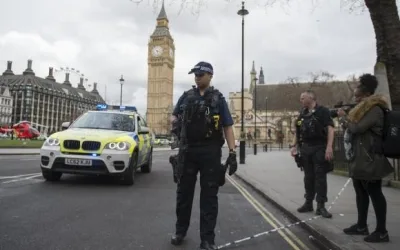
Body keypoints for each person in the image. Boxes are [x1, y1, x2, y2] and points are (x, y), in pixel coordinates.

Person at [170, 61, 238, 250]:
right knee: (184, 195)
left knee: (209, 197)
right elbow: (173, 116)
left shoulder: (218, 98)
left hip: (210, 151)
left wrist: (232, 153)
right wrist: (175, 123)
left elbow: (227, 126)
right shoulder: (186, 97)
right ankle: (180, 231)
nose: (197, 77)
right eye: (195, 75)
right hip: (188, 150)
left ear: (210, 75)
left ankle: (207, 239)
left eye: (200, 74)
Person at [337, 73, 393, 243]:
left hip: (370, 158)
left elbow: (357, 128)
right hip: (360, 157)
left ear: (365, 91)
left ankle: (382, 231)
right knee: (360, 193)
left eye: (358, 84)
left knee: (375, 193)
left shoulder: (374, 108)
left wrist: (343, 118)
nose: (355, 86)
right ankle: (361, 226)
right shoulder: (362, 107)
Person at [290, 90, 335, 218]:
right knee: (308, 177)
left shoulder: (323, 111)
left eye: (302, 98)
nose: (301, 100)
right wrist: (294, 146)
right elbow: (297, 132)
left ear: (311, 98)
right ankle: (308, 203)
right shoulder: (302, 113)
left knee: (320, 177)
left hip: (319, 147)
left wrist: (329, 147)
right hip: (306, 148)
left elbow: (331, 129)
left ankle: (321, 206)